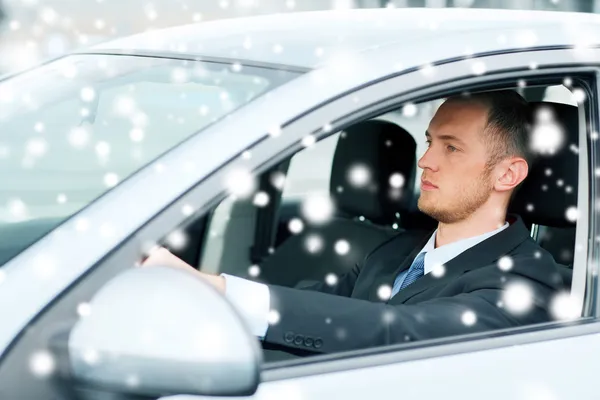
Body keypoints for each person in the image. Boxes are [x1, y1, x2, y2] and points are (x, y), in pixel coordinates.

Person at [141, 90, 570, 355]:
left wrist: (216, 289)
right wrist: (200, 297)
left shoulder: (528, 283)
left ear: (507, 174)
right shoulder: (396, 250)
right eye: (429, 142)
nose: (425, 161)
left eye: (451, 148)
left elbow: (400, 333)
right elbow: (314, 305)